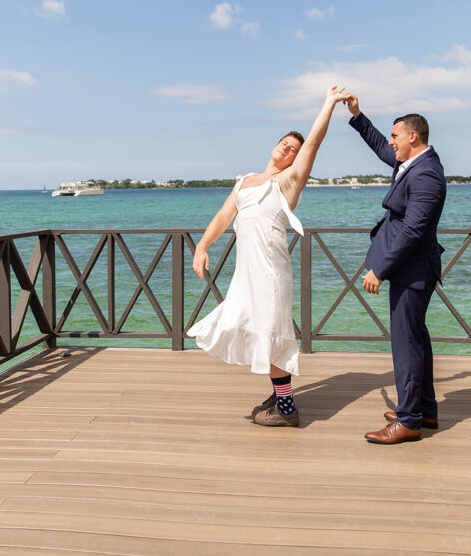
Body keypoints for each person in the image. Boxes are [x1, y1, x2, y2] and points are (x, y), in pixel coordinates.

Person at [187, 85, 353, 427]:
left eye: (294, 149)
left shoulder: (288, 183)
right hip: (247, 275)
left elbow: (314, 143)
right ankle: (280, 396)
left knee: (273, 335)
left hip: (271, 274)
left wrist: (329, 103)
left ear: (295, 159)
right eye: (285, 143)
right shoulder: (245, 180)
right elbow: (223, 216)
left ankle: (288, 409)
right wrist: (202, 247)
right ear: (274, 144)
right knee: (251, 327)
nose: (288, 148)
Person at [345, 95, 446, 444]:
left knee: (406, 345)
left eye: (395, 136)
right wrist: (357, 115)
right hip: (409, 268)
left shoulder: (428, 174)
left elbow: (414, 230)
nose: (391, 142)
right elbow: (377, 145)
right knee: (416, 337)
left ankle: (408, 420)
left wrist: (381, 270)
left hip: (412, 269)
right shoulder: (410, 163)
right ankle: (425, 408)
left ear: (412, 137)